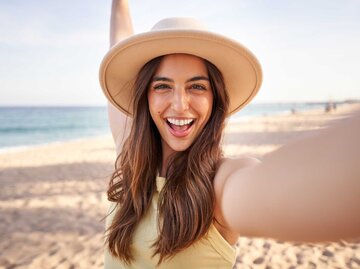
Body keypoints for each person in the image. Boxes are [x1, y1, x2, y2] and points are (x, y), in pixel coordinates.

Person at [101, 1, 360, 268]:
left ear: (216, 99)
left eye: (197, 87)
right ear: (145, 96)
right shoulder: (128, 149)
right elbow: (119, 39)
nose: (179, 104)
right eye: (163, 86)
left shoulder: (221, 184)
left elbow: (286, 192)